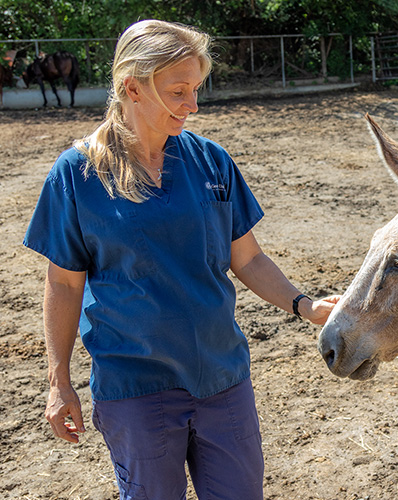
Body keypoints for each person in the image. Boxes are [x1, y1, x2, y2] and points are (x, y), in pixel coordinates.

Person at [23, 19, 339, 500]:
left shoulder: (211, 160)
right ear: (131, 86)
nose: (193, 105)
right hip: (137, 389)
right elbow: (64, 285)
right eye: (178, 91)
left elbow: (248, 259)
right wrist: (58, 380)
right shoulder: (78, 174)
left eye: (195, 89)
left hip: (221, 378)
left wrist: (305, 305)